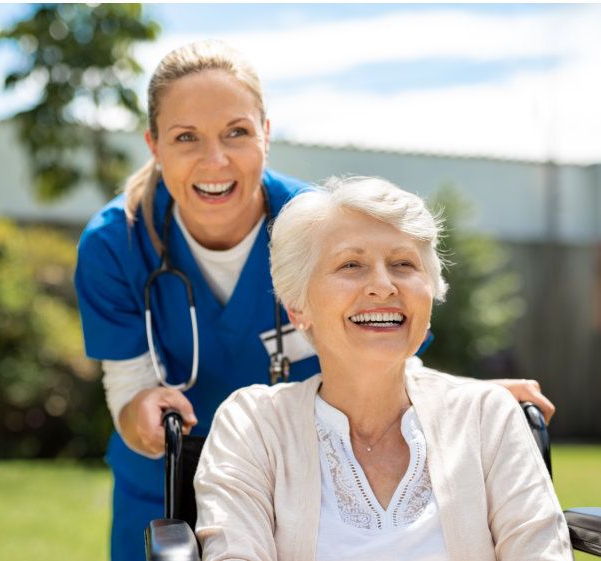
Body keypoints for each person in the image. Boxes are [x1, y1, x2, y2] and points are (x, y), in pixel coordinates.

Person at [74, 41, 556, 561]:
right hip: (166, 478)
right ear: (154, 144)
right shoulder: (113, 246)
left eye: (237, 132)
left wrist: (468, 408)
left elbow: (386, 337)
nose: (215, 160)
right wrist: (141, 412)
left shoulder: (320, 229)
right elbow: (127, 386)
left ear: (266, 134)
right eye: (186, 137)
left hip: (308, 475)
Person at [194, 176, 572, 561]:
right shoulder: (252, 425)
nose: (383, 285)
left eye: (403, 264)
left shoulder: (485, 415)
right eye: (351, 264)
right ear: (297, 307)